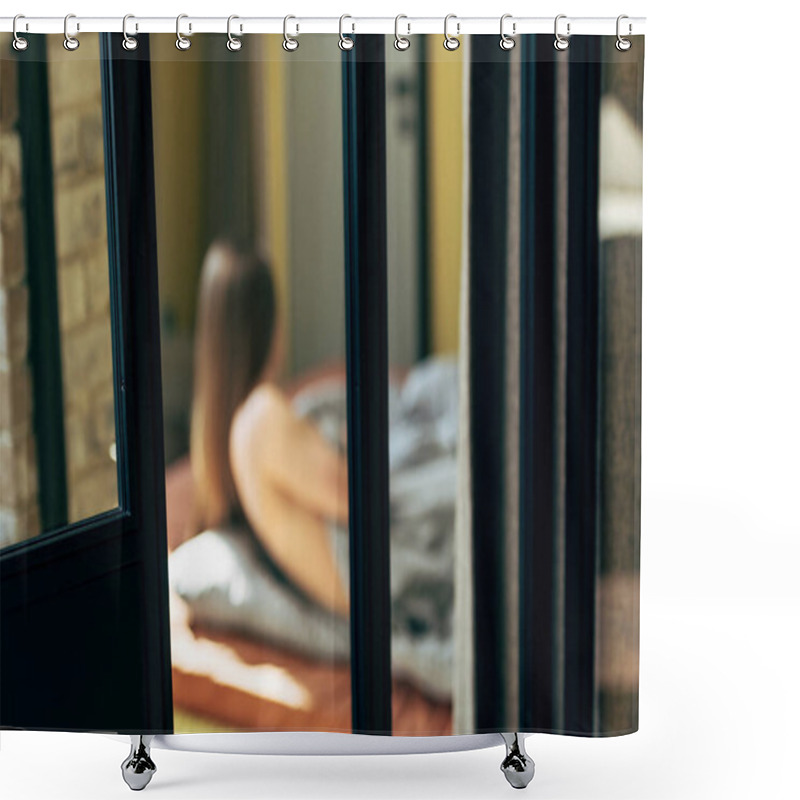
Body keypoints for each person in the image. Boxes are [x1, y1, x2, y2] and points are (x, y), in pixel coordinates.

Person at [187, 238, 350, 616]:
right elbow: (358, 500)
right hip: (375, 582)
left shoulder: (217, 441)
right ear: (269, 327)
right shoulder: (260, 417)